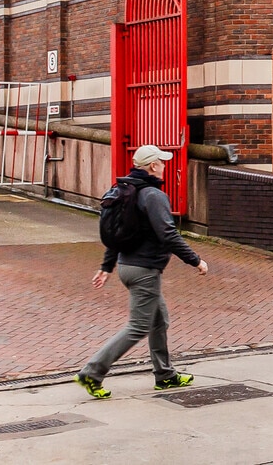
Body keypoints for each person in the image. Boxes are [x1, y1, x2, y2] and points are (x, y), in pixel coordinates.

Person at [77, 144, 208, 399]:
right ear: (152, 166)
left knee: (159, 320)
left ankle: (166, 376)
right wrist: (195, 260)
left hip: (129, 266)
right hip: (144, 270)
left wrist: (107, 266)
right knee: (138, 326)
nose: (165, 165)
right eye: (162, 161)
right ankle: (92, 372)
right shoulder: (152, 195)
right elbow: (168, 233)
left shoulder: (125, 191)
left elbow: (118, 234)